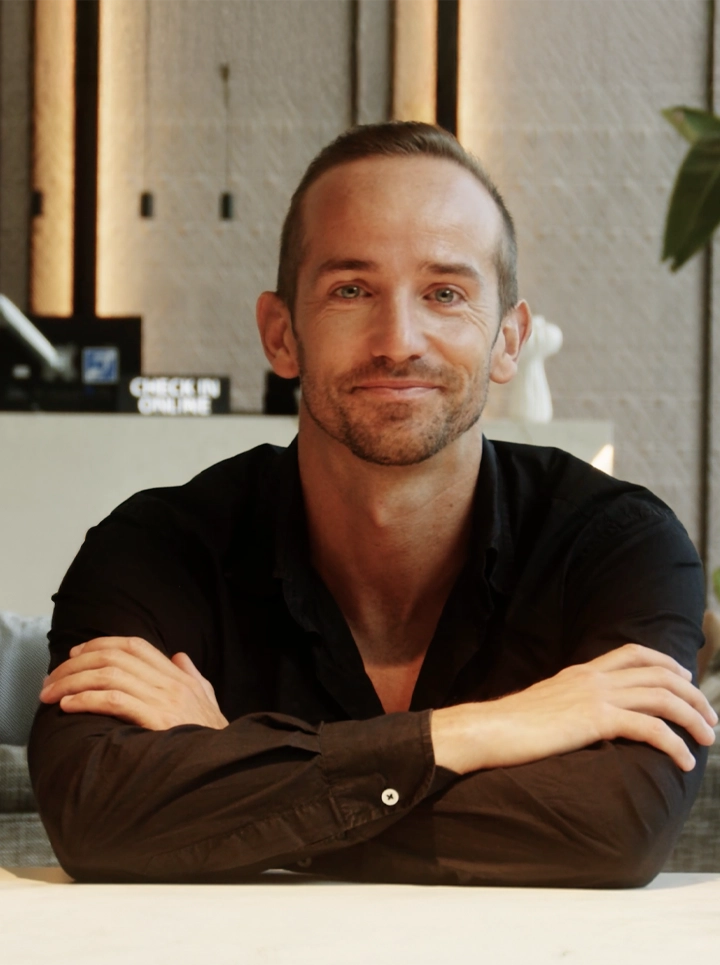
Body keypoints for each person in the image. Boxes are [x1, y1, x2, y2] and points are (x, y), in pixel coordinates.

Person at [29, 122, 716, 886]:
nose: (399, 340)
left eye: (446, 293)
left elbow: (613, 829)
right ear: (280, 333)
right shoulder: (156, 547)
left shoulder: (615, 545)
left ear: (508, 341)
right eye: (351, 290)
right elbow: (97, 815)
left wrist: (236, 758)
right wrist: (484, 731)